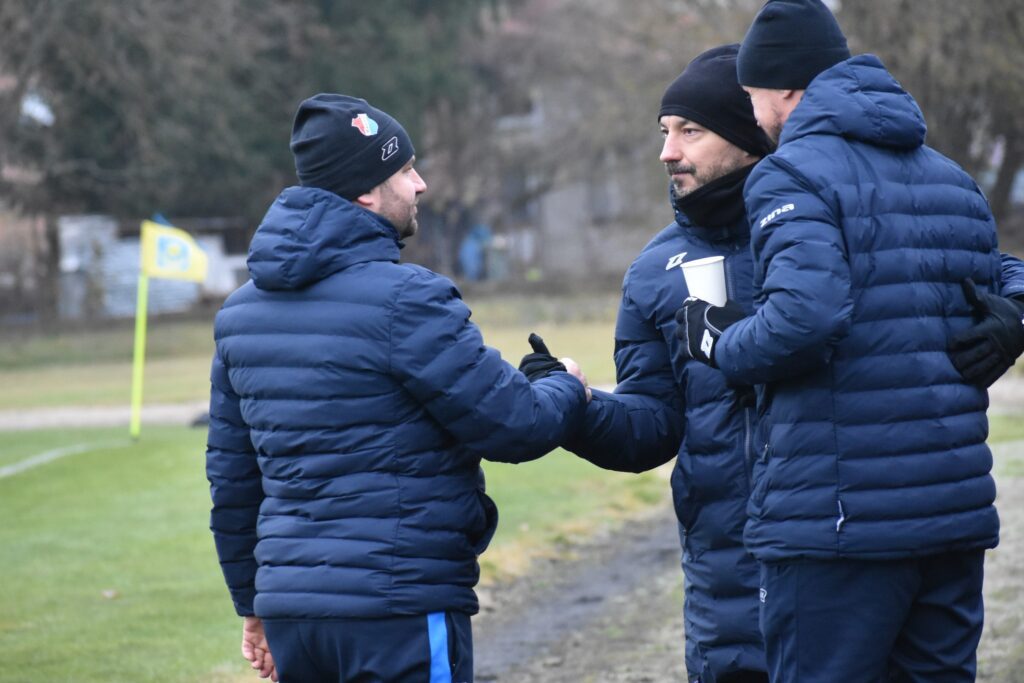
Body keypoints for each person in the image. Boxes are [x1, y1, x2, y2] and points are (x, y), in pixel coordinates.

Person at [676, 1, 1024, 680]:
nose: (752, 115)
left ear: (785, 88)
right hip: (949, 519)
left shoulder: (791, 172)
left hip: (838, 525)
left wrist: (720, 344)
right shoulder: (950, 176)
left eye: (751, 97)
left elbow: (807, 318)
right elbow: (1004, 272)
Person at [205, 93, 589, 683]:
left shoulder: (238, 314)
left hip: (293, 616)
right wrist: (565, 385)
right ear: (365, 192)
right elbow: (518, 425)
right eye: (405, 170)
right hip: (398, 609)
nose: (422, 185)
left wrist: (253, 607)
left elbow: (233, 482)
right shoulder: (408, 298)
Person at [548, 44, 775, 683]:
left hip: (835, 556)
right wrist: (580, 408)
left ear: (749, 134)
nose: (667, 152)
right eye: (665, 133)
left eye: (690, 132)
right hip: (722, 580)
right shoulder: (654, 271)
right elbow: (653, 424)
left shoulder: (814, 232)